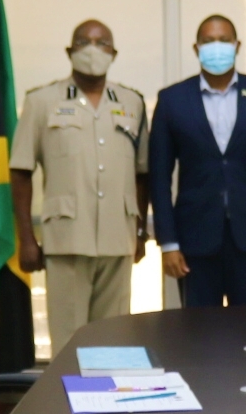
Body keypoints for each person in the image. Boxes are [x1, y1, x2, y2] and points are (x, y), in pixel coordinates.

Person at [11, 19, 149, 352]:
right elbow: (20, 171)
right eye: (83, 41)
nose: (92, 49)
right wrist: (26, 239)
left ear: (113, 53)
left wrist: (141, 232)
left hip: (119, 236)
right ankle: (65, 403)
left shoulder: (132, 102)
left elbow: (142, 172)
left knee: (115, 341)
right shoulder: (42, 101)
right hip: (67, 238)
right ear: (69, 51)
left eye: (102, 43)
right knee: (69, 343)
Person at [150, 14, 246, 306]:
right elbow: (159, 176)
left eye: (224, 40)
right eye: (208, 41)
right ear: (196, 48)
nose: (217, 47)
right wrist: (168, 242)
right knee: (198, 338)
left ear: (237, 45)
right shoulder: (172, 100)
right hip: (194, 241)